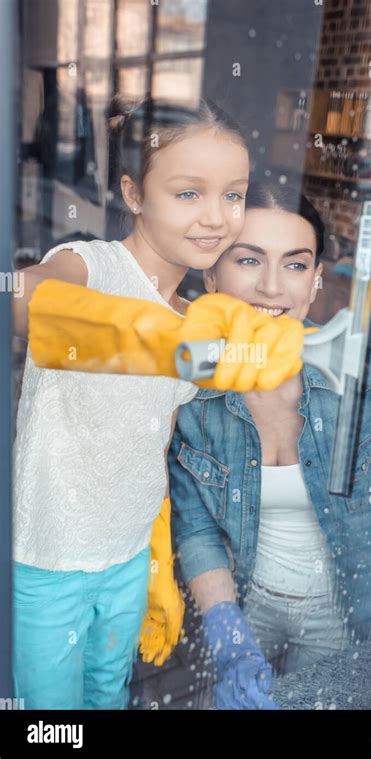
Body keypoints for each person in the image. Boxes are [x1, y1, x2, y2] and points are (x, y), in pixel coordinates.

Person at [12, 98, 305, 709]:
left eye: (233, 194)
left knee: (107, 701)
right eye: (188, 193)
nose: (216, 217)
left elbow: (154, 446)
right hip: (47, 564)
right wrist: (170, 344)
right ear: (134, 194)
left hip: (125, 561)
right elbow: (26, 300)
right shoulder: (91, 266)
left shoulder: (193, 319)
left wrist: (156, 563)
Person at [168, 180, 371, 710]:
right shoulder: (188, 385)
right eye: (248, 261)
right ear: (211, 274)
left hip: (352, 605)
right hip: (245, 596)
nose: (272, 287)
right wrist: (228, 634)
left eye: (296, 265)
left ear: (318, 279)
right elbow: (196, 522)